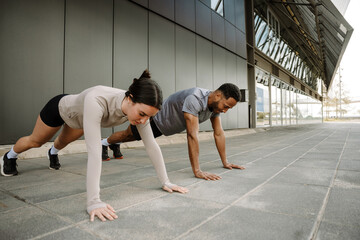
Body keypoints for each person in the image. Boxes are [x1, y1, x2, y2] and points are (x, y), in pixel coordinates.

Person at [0, 70, 188, 222]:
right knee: (36, 141)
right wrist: (93, 202)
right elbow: (94, 151)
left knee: (63, 142)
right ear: (130, 98)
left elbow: (152, 146)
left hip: (79, 121)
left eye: (149, 116)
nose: (144, 120)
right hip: (60, 109)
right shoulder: (97, 100)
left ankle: (54, 152)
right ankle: (9, 156)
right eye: (142, 114)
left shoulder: (141, 111)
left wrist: (166, 181)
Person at [102, 83, 245, 181]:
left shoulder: (214, 107)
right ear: (218, 96)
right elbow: (192, 135)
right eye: (225, 106)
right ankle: (104, 143)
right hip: (155, 122)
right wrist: (197, 171)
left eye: (228, 109)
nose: (225, 111)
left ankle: (114, 144)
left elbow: (219, 133)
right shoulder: (195, 99)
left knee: (129, 137)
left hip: (165, 127)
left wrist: (225, 162)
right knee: (128, 135)